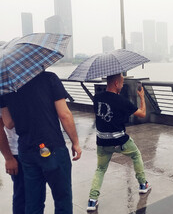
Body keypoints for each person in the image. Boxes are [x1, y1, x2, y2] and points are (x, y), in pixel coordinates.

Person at [1, 71, 82, 214]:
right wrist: (75, 142)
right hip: (52, 146)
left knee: (33, 202)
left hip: (26, 150)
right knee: (62, 198)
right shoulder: (49, 78)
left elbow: (9, 123)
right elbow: (64, 114)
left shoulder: (5, 87)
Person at [87, 73, 150, 212]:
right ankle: (142, 185)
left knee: (100, 169)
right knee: (136, 155)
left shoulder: (97, 98)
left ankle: (92, 200)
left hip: (102, 142)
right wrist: (141, 97)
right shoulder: (122, 101)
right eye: (121, 82)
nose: (122, 85)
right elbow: (142, 114)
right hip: (119, 140)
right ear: (116, 83)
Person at [0, 114, 25, 214]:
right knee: (22, 195)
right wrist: (8, 158)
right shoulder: (3, 98)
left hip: (38, 150)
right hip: (17, 153)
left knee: (37, 196)